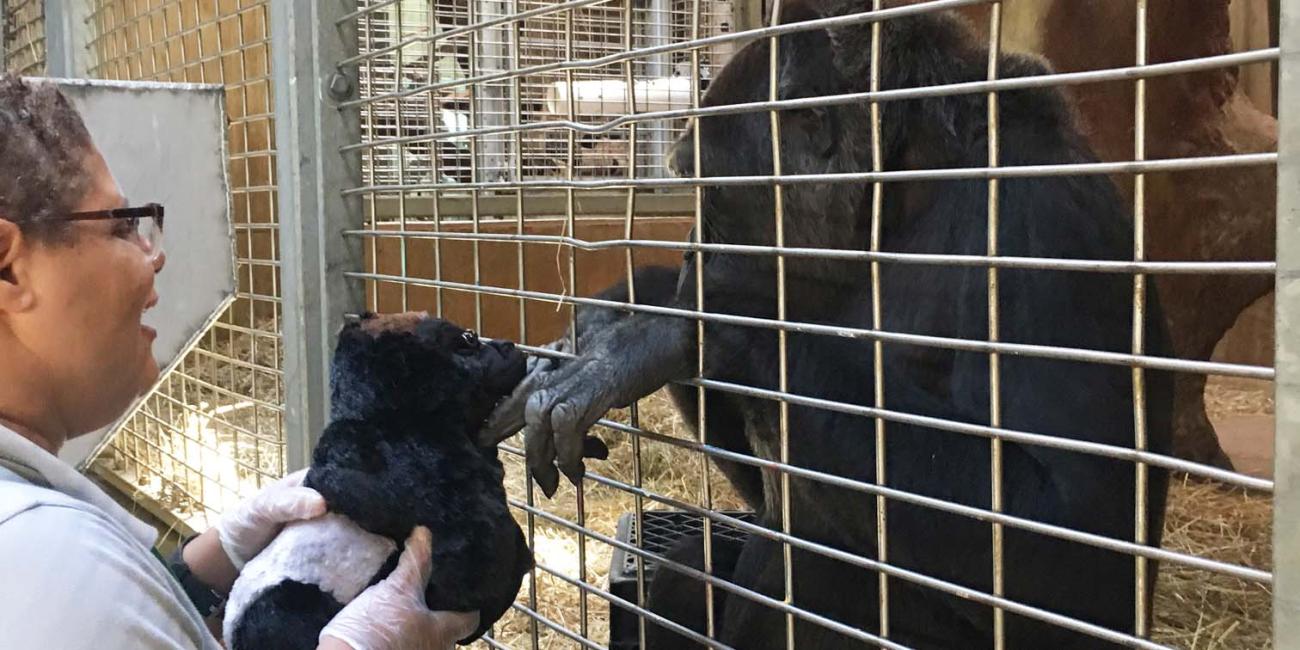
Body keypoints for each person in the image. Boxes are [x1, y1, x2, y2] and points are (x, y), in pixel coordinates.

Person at [0, 74, 480, 649]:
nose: (154, 255)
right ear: (9, 269)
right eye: (123, 224)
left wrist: (203, 565)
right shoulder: (57, 576)